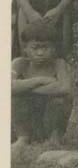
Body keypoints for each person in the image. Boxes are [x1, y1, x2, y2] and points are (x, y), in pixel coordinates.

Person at [11, 22, 73, 154]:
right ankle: (23, 137)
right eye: (35, 48)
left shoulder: (58, 64)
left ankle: (54, 138)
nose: (40, 53)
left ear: (54, 49)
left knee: (62, 99)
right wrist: (42, 80)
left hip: (49, 119)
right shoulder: (19, 63)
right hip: (26, 119)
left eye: (45, 48)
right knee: (14, 97)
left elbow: (64, 87)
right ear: (25, 48)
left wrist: (24, 87)